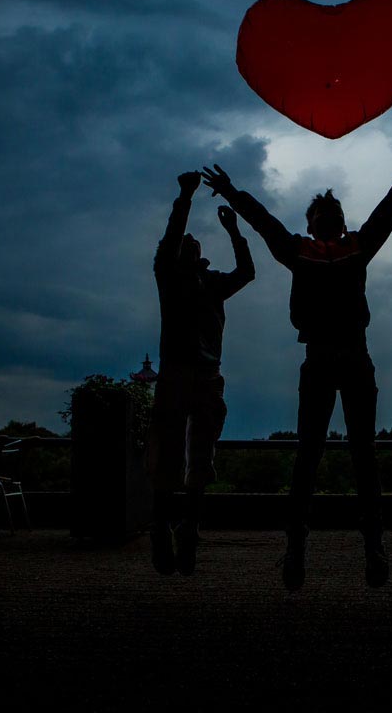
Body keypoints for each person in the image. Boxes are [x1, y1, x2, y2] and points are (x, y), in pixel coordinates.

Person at [200, 128, 392, 591]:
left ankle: (348, 549)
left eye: (331, 213)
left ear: (333, 221)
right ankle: (319, 549)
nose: (328, 218)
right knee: (331, 457)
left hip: (342, 358)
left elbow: (389, 208)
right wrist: (234, 192)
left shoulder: (325, 250)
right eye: (322, 214)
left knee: (338, 456)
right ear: (314, 223)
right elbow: (266, 220)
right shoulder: (327, 250)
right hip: (341, 358)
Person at [150, 170, 254, 576]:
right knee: (168, 456)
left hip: (207, 375)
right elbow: (173, 235)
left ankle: (187, 530)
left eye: (196, 240)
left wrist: (234, 230)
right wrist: (185, 196)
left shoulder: (211, 283)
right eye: (186, 241)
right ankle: (162, 530)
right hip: (178, 373)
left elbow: (246, 272)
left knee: (199, 458)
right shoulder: (169, 277)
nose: (191, 241)